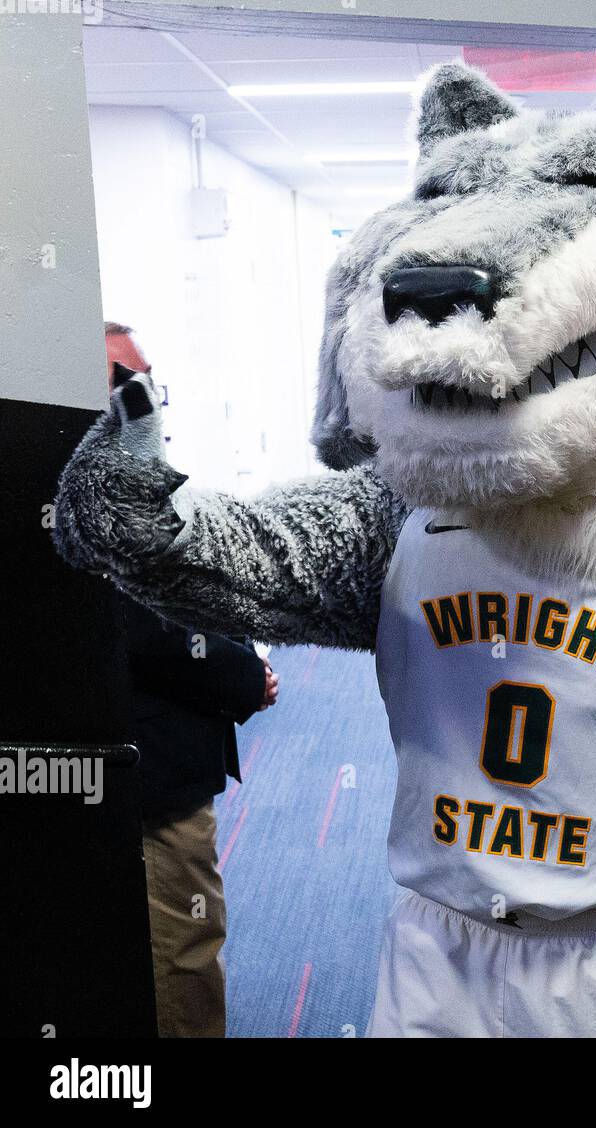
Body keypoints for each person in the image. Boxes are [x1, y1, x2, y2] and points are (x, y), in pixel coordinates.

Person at [105, 322, 279, 1037]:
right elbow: (151, 629)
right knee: (182, 949)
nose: (145, 399)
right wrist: (247, 675)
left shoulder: (117, 476)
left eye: (149, 381)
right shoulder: (88, 489)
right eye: (127, 382)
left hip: (152, 755)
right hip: (152, 769)